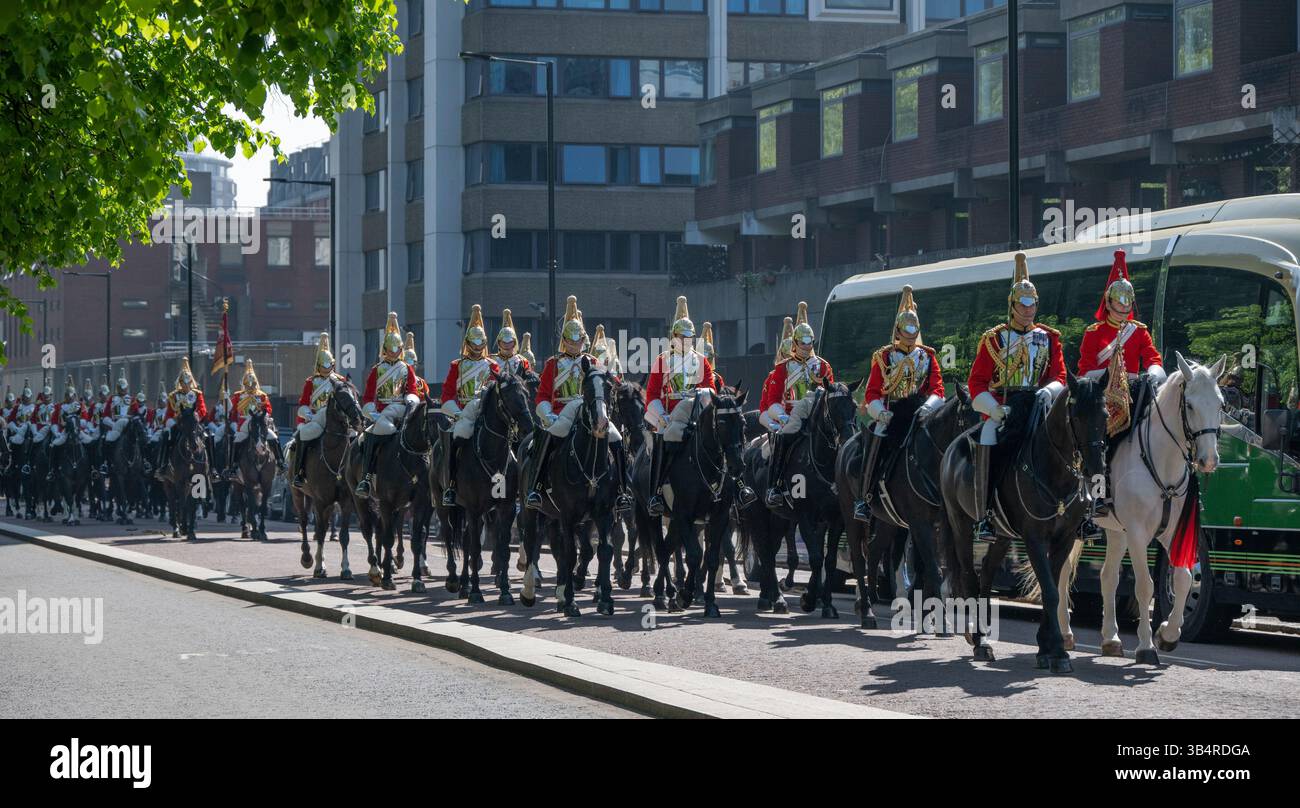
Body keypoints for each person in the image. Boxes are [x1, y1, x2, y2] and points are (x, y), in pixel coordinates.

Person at [968, 252, 1066, 530]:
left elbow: (1059, 374)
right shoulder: (994, 339)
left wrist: (1050, 391)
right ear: (1012, 305)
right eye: (1023, 303)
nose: (1028, 308)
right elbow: (976, 384)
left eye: (1032, 302)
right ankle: (985, 512)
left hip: (1038, 404)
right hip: (1005, 406)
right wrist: (993, 409)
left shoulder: (1049, 338)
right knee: (988, 437)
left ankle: (1080, 509)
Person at [525, 295, 633, 513]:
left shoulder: (594, 363)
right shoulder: (553, 364)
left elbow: (611, 383)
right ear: (564, 340)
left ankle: (622, 490)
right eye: (571, 341)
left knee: (617, 439)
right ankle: (536, 487)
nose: (576, 345)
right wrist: (548, 414)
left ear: (584, 340)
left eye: (579, 341)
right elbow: (542, 396)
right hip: (562, 413)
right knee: (548, 438)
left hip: (590, 412)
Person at [852, 285, 945, 521]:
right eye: (907, 328)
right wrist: (880, 413)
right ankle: (865, 496)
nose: (911, 332)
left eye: (914, 328)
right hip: (892, 413)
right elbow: (872, 392)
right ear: (898, 330)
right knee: (876, 439)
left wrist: (930, 406)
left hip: (920, 412)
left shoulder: (927, 355)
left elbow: (937, 388)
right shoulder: (884, 356)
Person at [1076, 249, 1165, 442]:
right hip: (1102, 394)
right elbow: (1086, 370)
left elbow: (1152, 357)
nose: (1125, 307)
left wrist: (1153, 373)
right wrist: (1115, 376)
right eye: (1120, 302)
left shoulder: (1139, 331)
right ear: (1108, 303)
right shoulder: (1094, 332)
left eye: (1128, 303)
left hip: (1133, 393)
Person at [644, 296, 718, 516]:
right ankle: (656, 491)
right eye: (682, 337)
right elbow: (652, 395)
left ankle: (733, 490)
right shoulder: (662, 360)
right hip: (671, 417)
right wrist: (661, 417)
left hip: (696, 415)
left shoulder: (702, 361)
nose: (686, 340)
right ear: (673, 337)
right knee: (662, 441)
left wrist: (703, 410)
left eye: (690, 337)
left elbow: (711, 391)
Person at [760, 302, 835, 507]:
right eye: (802, 341)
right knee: (782, 440)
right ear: (795, 342)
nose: (806, 345)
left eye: (809, 341)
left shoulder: (823, 366)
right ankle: (775, 486)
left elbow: (830, 394)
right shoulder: (783, 367)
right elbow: (773, 400)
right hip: (792, 416)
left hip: (817, 413)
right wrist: (782, 417)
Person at [438, 305, 500, 506]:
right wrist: (457, 413)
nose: (477, 346)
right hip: (464, 415)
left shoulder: (492, 366)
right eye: (474, 342)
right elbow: (447, 395)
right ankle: (451, 486)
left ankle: (504, 489)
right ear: (467, 343)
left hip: (486, 415)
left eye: (480, 342)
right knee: (454, 442)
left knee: (507, 445)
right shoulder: (457, 366)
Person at [354, 312, 420, 497]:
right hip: (382, 414)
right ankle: (366, 478)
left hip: (403, 410)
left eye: (397, 347)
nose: (393, 351)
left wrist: (411, 400)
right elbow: (367, 397)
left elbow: (413, 390)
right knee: (369, 437)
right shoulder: (377, 370)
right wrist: (372, 413)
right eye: (390, 347)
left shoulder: (406, 369)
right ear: (384, 348)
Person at [291, 333, 344, 488]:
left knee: (354, 437)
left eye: (330, 365)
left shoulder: (340, 381)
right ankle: (299, 472)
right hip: (317, 419)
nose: (327, 369)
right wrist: (308, 415)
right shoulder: (311, 382)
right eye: (324, 366)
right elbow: (304, 403)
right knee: (303, 435)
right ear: (319, 365)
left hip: (336, 418)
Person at [226, 357, 284, 479]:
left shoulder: (262, 396)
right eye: (248, 385)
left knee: (273, 436)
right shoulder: (238, 396)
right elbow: (234, 411)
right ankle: (233, 466)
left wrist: (263, 414)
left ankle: (280, 461)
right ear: (245, 384)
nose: (251, 387)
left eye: (252, 385)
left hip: (259, 422)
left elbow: (268, 409)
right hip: (245, 423)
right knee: (236, 440)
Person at [156, 359, 209, 480]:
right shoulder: (173, 395)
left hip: (193, 422)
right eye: (184, 382)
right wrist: (174, 420)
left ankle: (212, 468)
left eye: (188, 382)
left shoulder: (197, 394)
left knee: (208, 437)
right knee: (166, 436)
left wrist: (196, 416)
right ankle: (163, 466)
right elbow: (169, 413)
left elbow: (202, 409)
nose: (186, 385)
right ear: (180, 382)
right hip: (178, 422)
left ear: (191, 382)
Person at [492, 309, 532, 376]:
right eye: (504, 342)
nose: (507, 345)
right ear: (499, 343)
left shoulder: (523, 361)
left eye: (510, 342)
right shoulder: (490, 360)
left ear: (514, 343)